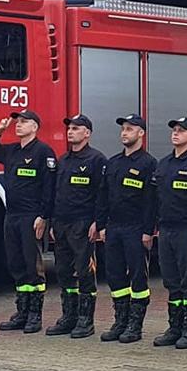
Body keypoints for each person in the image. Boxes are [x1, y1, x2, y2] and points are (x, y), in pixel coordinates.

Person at [0, 110, 55, 334]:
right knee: (16, 264)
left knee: (33, 266)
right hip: (11, 215)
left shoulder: (43, 152)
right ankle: (22, 311)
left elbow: (49, 187)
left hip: (31, 216)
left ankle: (35, 314)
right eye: (17, 122)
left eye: (24, 122)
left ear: (35, 127)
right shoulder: (12, 150)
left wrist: (44, 216)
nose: (18, 125)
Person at [151, 117, 187, 349]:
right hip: (166, 229)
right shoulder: (164, 164)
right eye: (174, 130)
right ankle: (174, 327)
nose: (175, 134)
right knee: (171, 281)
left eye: (181, 131)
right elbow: (156, 198)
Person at [97, 115, 157, 343]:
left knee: (138, 278)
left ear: (140, 133)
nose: (124, 133)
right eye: (123, 129)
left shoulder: (148, 163)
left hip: (135, 228)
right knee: (114, 275)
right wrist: (102, 225)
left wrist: (147, 230)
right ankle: (120, 320)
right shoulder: (113, 163)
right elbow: (103, 196)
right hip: (114, 228)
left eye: (129, 129)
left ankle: (135, 325)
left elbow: (151, 200)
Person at [48, 115, 107, 339]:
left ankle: (85, 320)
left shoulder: (96, 159)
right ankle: (68, 316)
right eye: (69, 128)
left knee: (84, 271)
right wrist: (53, 220)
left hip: (83, 224)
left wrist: (97, 221)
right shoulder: (63, 160)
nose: (70, 132)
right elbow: (57, 194)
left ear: (87, 133)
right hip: (62, 223)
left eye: (76, 128)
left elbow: (101, 194)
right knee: (63, 271)